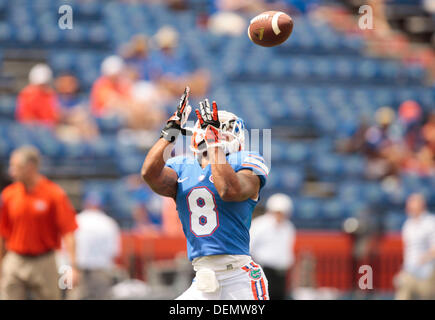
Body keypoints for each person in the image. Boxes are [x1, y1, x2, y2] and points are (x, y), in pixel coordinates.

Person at [141, 87, 270, 300]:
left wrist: (213, 144)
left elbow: (229, 190)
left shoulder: (245, 161)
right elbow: (149, 174)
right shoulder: (183, 167)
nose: (222, 132)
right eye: (218, 128)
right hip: (202, 279)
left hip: (238, 278)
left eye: (225, 129)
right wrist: (170, 132)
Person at [0, 146, 78, 299]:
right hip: (15, 258)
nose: (11, 172)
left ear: (30, 168)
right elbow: (2, 233)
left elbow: (68, 232)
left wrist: (73, 267)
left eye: (16, 167)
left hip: (45, 260)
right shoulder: (9, 195)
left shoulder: (54, 194)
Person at [67, 192, 121, 300]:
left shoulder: (77, 219)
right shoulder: (109, 223)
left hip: (78, 269)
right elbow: (114, 251)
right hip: (101, 270)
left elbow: (67, 248)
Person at [250, 193, 296, 300]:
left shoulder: (289, 227)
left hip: (282, 273)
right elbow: (249, 247)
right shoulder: (259, 225)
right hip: (264, 271)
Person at [395, 193, 435, 300]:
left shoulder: (431, 222)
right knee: (403, 292)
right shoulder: (408, 224)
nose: (409, 207)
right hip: (410, 271)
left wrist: (423, 259)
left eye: (412, 204)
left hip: (428, 272)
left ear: (421, 205)